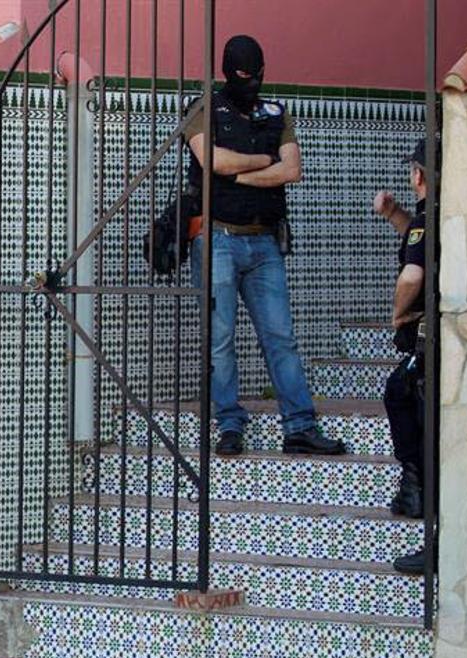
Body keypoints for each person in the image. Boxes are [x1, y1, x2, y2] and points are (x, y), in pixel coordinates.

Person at [184, 35, 346, 458]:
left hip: (264, 242)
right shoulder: (204, 108)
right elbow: (212, 162)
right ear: (227, 71)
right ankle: (230, 425)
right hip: (217, 238)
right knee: (219, 339)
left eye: (257, 75)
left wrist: (237, 172)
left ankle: (299, 426)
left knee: (281, 337)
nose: (251, 82)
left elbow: (292, 170)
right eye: (244, 75)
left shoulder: (276, 112)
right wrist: (260, 162)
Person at [373, 138, 439, 575]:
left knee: (404, 397)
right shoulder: (443, 216)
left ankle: (417, 489)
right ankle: (415, 486)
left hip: (428, 340)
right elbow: (420, 243)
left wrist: (398, 313)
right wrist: (396, 215)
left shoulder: (426, 221)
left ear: (417, 174)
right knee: (402, 392)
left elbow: (413, 272)